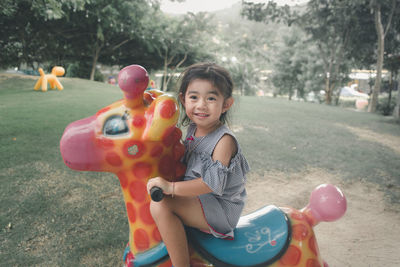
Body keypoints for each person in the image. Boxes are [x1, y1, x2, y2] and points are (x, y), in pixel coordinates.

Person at [146, 63, 250, 267]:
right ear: (184, 99)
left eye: (211, 98)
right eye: (194, 97)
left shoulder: (224, 141)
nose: (201, 105)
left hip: (220, 208)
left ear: (226, 104)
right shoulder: (194, 129)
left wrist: (171, 187)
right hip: (201, 199)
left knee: (161, 205)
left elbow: (211, 184)